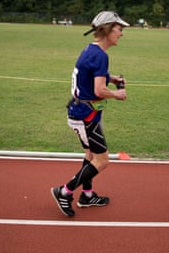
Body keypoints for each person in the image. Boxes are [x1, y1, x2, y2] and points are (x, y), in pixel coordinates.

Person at [51, 11, 130, 217]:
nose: (121, 33)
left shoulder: (91, 50)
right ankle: (64, 191)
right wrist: (117, 94)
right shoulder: (101, 55)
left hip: (83, 112)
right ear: (107, 29)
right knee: (102, 160)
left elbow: (91, 73)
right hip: (85, 115)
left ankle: (86, 195)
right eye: (119, 29)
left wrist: (111, 78)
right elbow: (98, 91)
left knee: (91, 155)